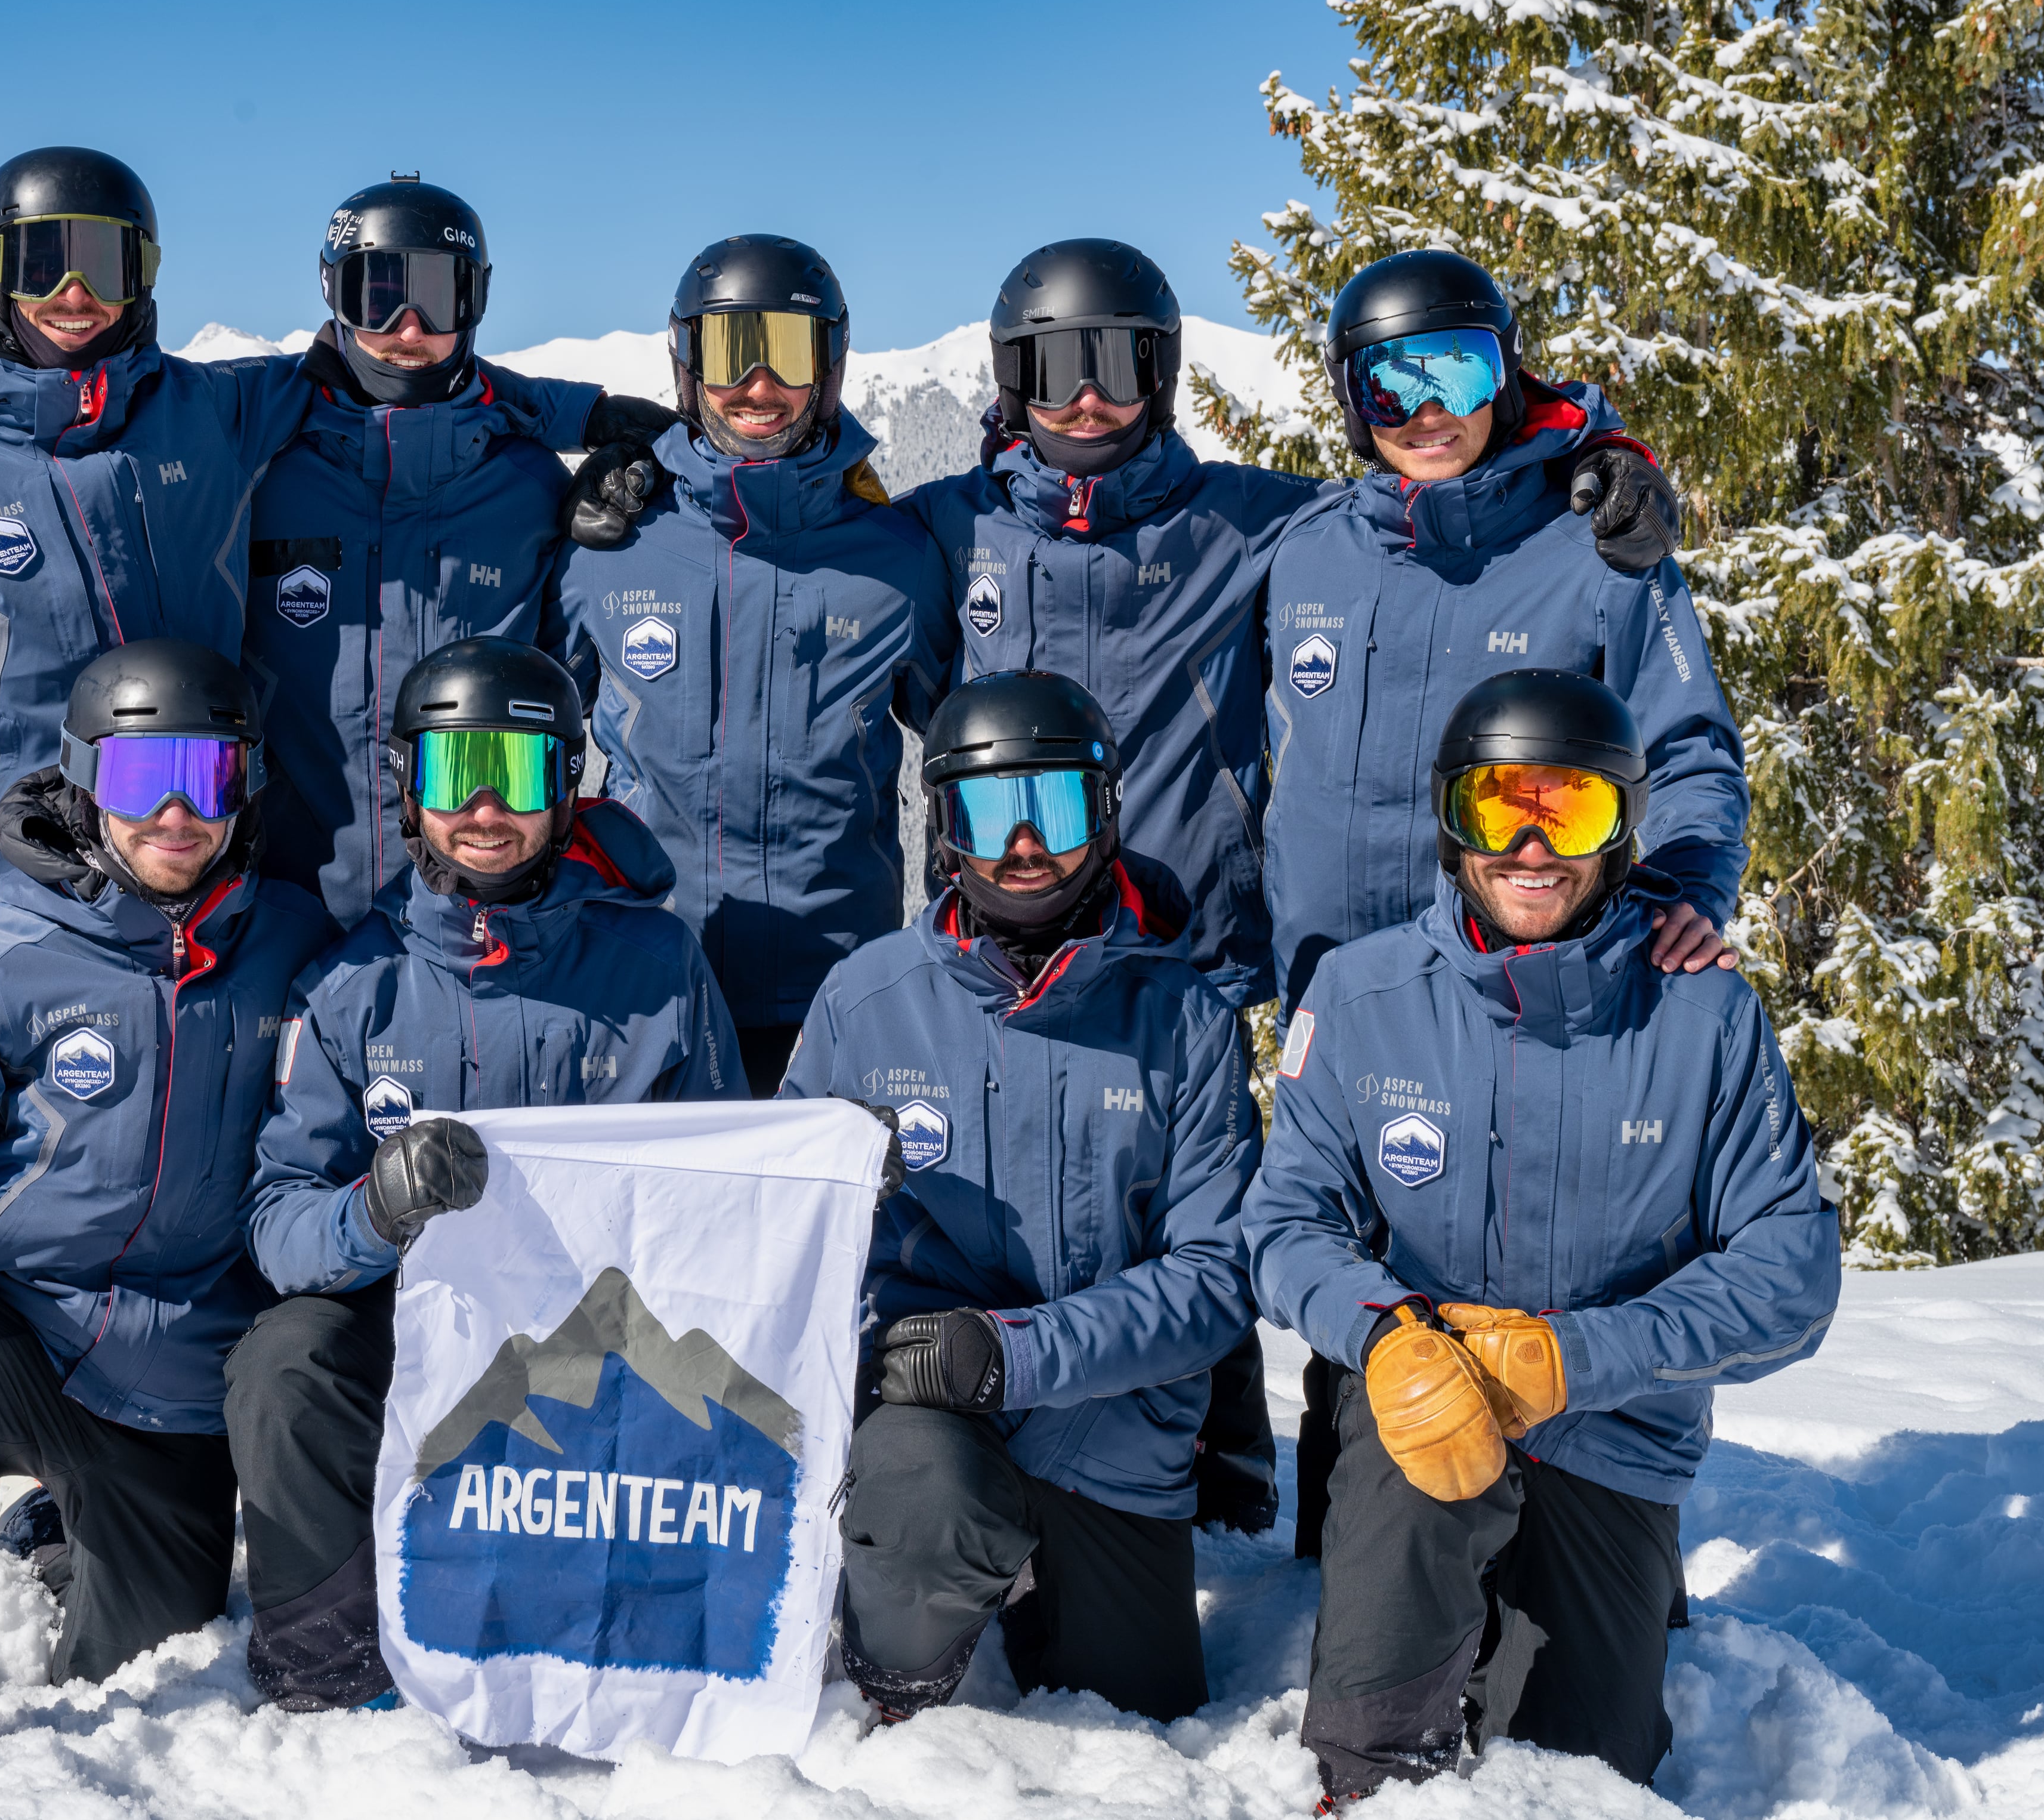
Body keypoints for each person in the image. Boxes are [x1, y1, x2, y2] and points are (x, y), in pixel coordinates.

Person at [1243, 670, 1838, 1802]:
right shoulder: (1361, 995)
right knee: (1374, 1718)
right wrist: (1387, 1332)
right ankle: (1369, 1774)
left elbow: (1790, 1276)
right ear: (1450, 818)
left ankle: (1611, 1604)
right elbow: (1284, 1224)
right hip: (1416, 1402)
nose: (1530, 846)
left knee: (1582, 1769)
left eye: (1570, 811)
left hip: (1610, 1432)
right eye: (1496, 806)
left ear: (1622, 828)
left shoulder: (1704, 1015)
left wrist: (1579, 1356)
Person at [1261, 249, 1749, 1552]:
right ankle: (1354, 1558)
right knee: (1355, 1269)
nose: (1427, 407)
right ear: (1345, 392)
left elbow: (1688, 745)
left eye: (1459, 369)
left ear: (1508, 370)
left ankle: (1598, 1545)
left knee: (1550, 1246)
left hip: (1523, 970)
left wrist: (1686, 888)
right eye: (1389, 379)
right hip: (1340, 983)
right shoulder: (1304, 554)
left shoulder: (1596, 550)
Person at [0, 641, 336, 1767]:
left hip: (182, 1379)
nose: (178, 814)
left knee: (146, 1654)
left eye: (211, 776)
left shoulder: (297, 948)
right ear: (86, 782)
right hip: (16, 1331)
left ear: (247, 786)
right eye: (143, 780)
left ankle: (50, 1529)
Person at [224, 636, 748, 1710]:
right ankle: (331, 1667)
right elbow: (278, 1224)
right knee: (284, 1358)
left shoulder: (657, 968)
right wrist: (375, 1207)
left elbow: (731, 1193)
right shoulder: (353, 985)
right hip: (409, 1332)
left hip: (596, 1341)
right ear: (409, 794)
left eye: (514, 774)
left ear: (565, 787)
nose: (483, 808)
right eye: (452, 774)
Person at [781, 670, 1258, 1724]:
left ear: (1109, 810)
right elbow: (787, 1251)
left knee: (1137, 1714)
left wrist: (1020, 1353)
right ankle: (899, 1693)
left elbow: (1218, 1277)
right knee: (917, 1508)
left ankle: (1045, 1573)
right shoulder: (866, 1003)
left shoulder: (1183, 1018)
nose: (1026, 844)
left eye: (1058, 806)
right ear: (944, 827)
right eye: (992, 811)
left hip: (1112, 1426)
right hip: (931, 1412)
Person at [0, 147, 317, 1035]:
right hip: (4, 907)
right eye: (44, 262)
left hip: (202, 882)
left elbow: (390, 370)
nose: (76, 292)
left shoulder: (213, 411)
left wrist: (577, 417)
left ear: (146, 278)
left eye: (109, 263)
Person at [555, 235, 956, 1095]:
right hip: (640, 982)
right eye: (733, 353)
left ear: (833, 366)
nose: (760, 388)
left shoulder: (898, 558)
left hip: (834, 993)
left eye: (789, 352)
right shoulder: (608, 547)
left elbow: (967, 747)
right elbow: (528, 744)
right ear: (686, 364)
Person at [246, 176, 676, 924]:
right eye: (376, 296)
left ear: (473, 302)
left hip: (484, 920)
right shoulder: (262, 470)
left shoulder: (525, 483)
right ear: (331, 294)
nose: (408, 328)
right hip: (294, 915)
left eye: (437, 298)